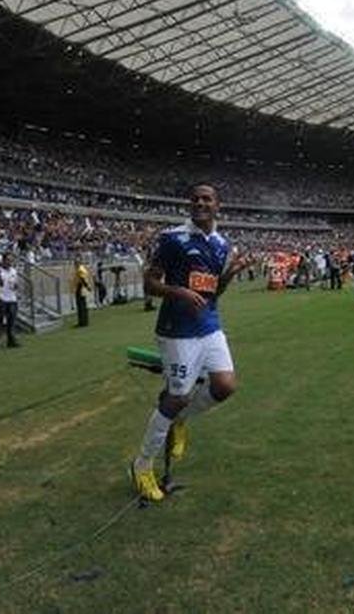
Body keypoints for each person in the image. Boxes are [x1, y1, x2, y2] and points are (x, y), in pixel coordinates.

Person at [129, 182, 253, 502]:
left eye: (207, 199)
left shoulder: (222, 244)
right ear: (190, 205)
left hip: (210, 325)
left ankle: (181, 420)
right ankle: (142, 465)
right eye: (196, 199)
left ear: (217, 206)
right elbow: (149, 283)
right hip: (177, 329)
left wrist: (230, 274)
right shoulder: (173, 239)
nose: (200, 203)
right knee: (176, 397)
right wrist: (178, 291)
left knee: (224, 386)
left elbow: (213, 292)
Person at [0, 253, 20, 348]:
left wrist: (16, 286)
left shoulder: (13, 271)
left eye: (11, 260)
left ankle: (11, 341)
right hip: (1, 298)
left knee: (11, 321)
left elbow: (16, 283)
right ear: (3, 260)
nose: (9, 262)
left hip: (12, 298)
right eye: (8, 260)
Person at [73, 260, 91, 327]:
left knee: (81, 306)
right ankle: (84, 321)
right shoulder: (83, 269)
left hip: (80, 288)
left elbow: (82, 279)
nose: (74, 265)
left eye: (75, 264)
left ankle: (82, 322)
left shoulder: (80, 270)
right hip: (83, 289)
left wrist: (87, 286)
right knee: (83, 305)